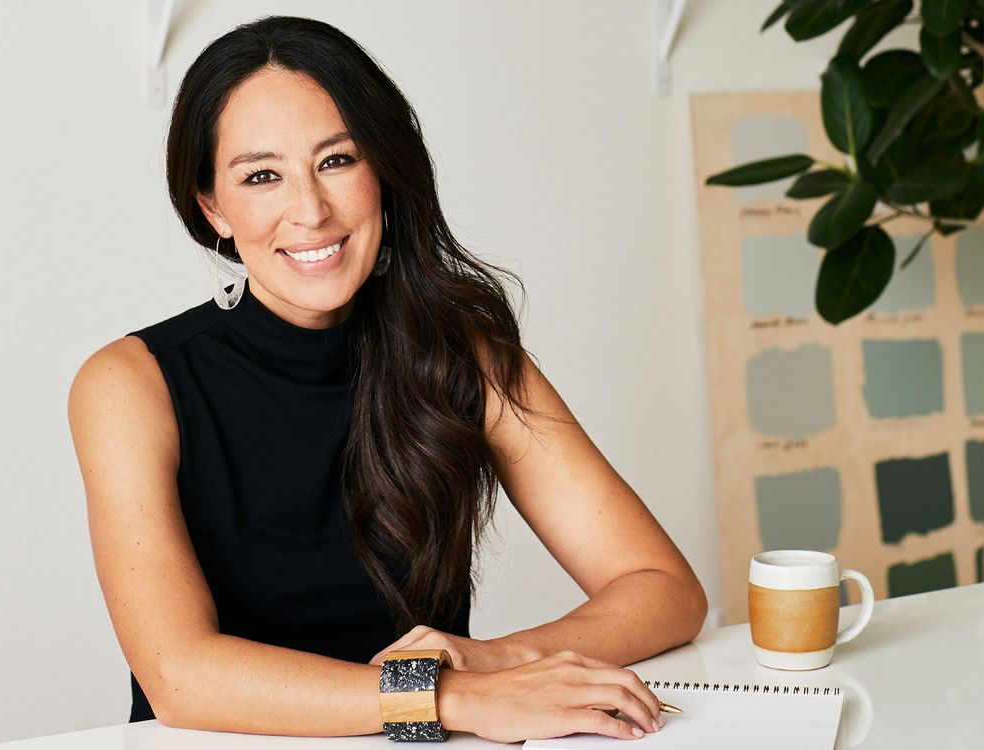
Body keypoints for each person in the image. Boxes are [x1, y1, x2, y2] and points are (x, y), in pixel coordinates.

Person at [67, 15, 706, 744]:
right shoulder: (130, 384)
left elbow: (665, 590)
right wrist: (447, 698)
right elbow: (179, 677)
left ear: (384, 171)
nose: (310, 211)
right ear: (212, 206)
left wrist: (494, 661)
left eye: (337, 160)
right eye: (262, 176)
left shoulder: (463, 353)